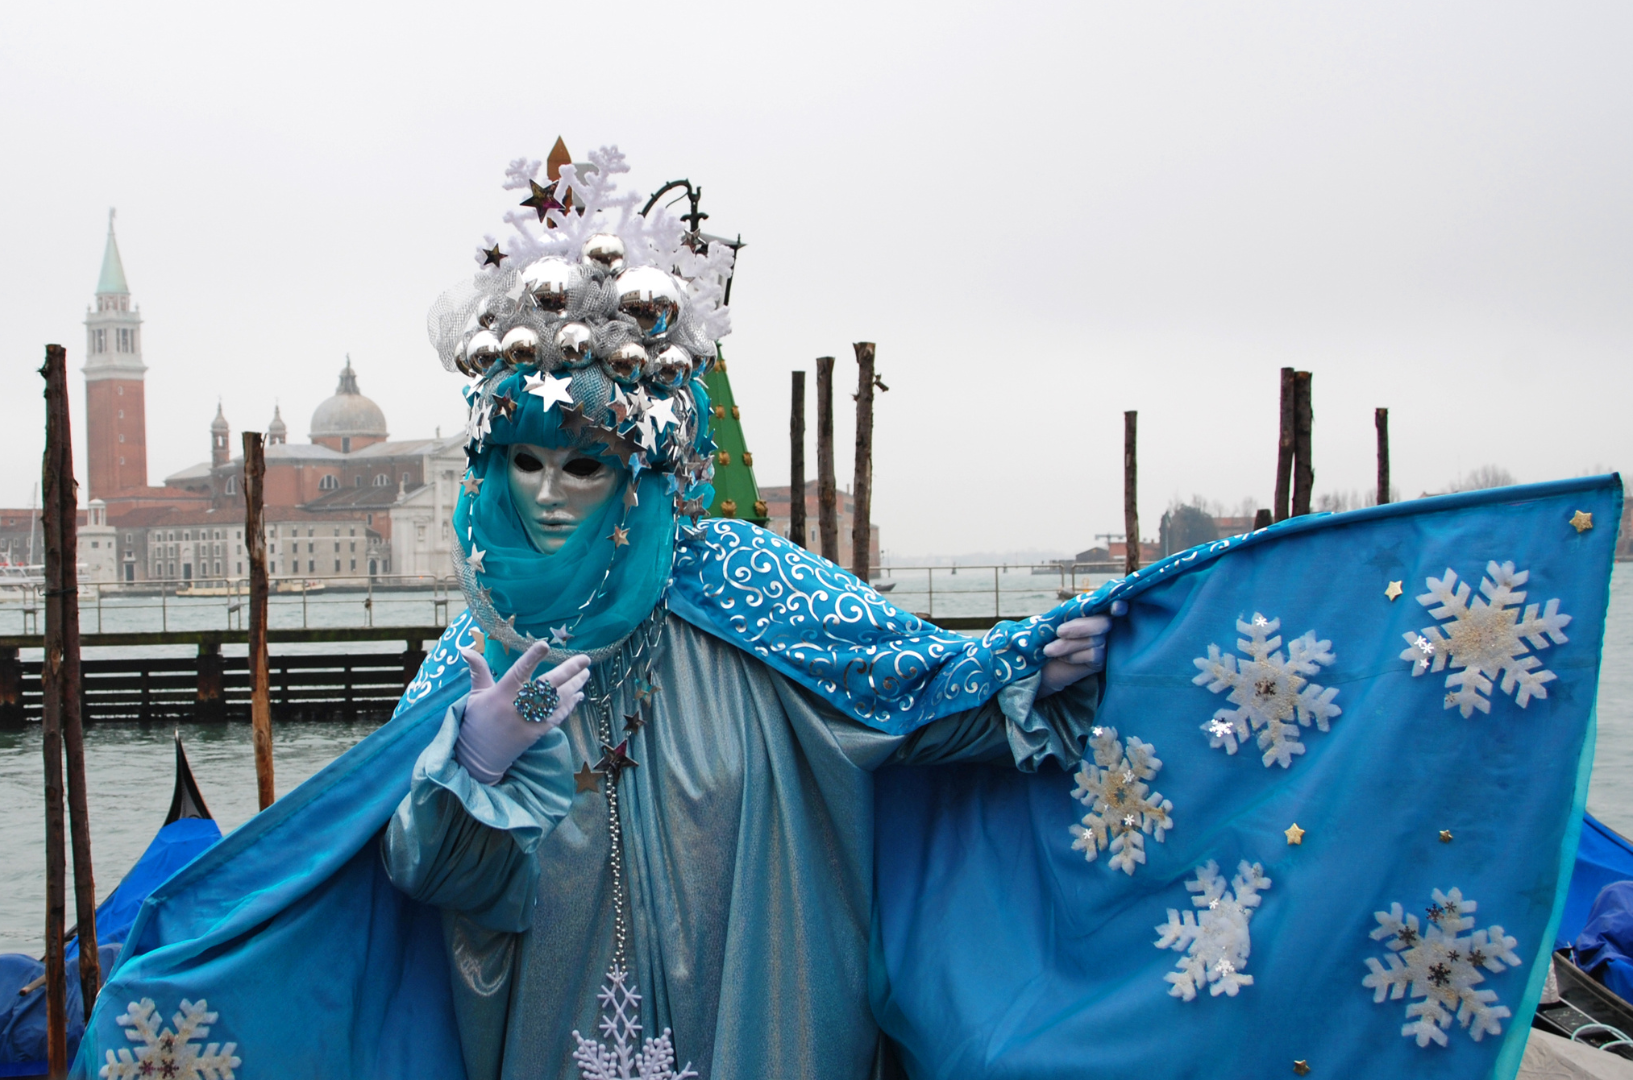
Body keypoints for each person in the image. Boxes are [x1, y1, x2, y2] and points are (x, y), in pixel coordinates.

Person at [380, 146, 1115, 1079]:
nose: (551, 495)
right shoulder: (477, 656)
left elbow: (901, 698)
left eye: (585, 465)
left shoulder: (746, 584)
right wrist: (469, 774)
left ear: (639, 471)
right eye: (526, 464)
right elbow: (426, 886)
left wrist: (1021, 668)